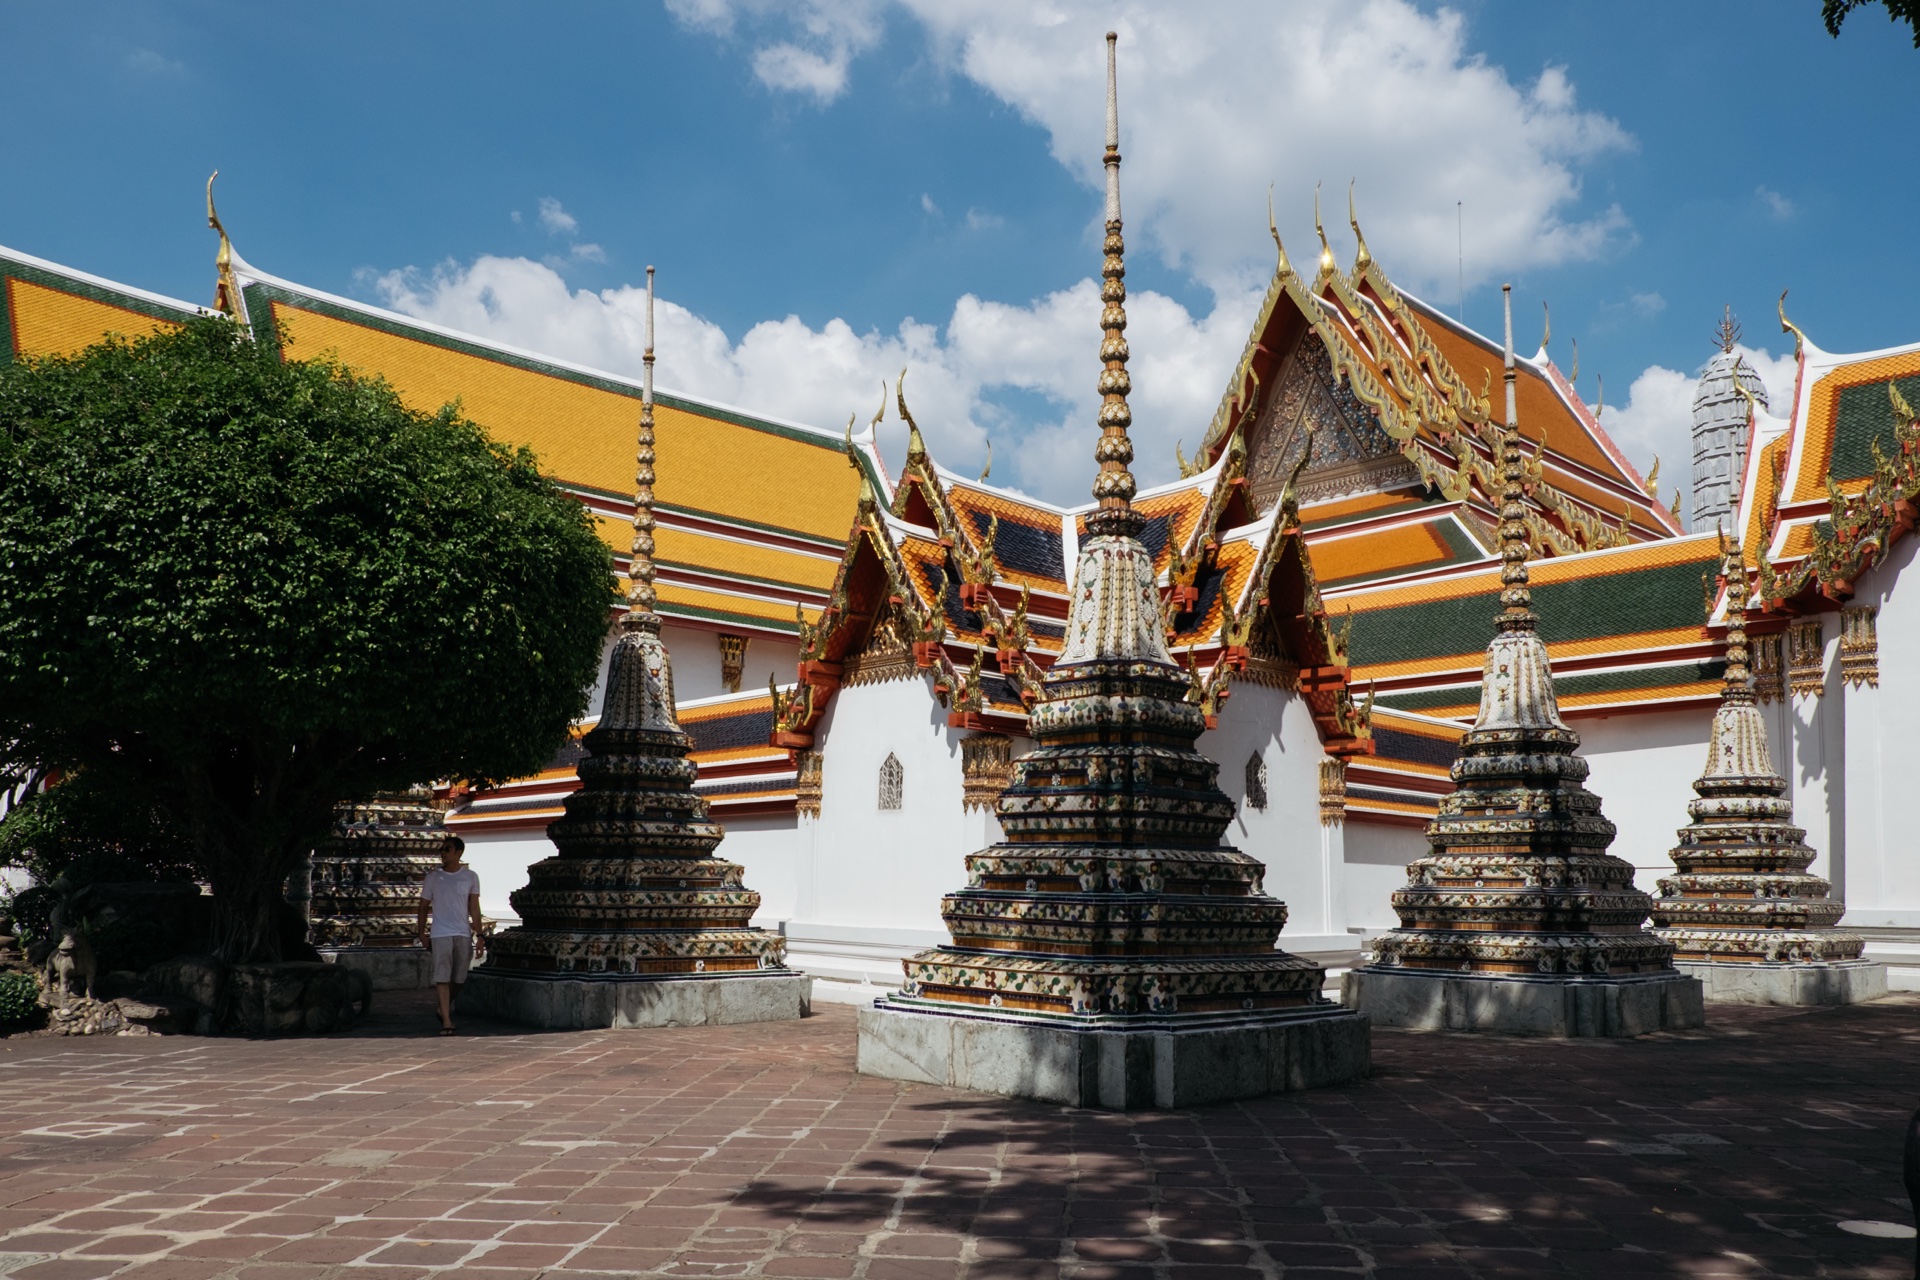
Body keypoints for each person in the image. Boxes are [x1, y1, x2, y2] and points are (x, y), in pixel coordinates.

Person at [417, 835, 483, 1034]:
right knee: (442, 977)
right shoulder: (433, 877)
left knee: (460, 977)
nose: (443, 853)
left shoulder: (470, 876)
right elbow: (423, 907)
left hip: (462, 932)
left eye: (447, 849)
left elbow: (474, 907)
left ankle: (443, 1006)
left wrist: (480, 935)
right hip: (440, 933)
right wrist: (421, 932)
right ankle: (446, 1018)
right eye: (442, 850)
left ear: (458, 852)